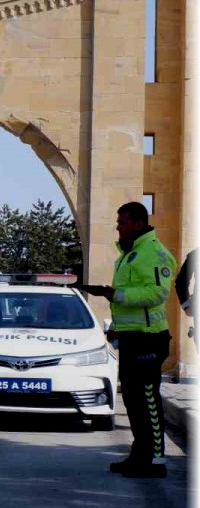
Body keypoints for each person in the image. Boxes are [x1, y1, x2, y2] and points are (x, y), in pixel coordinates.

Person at [80, 202, 176, 479]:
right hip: (132, 338)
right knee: (133, 401)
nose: (118, 228)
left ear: (137, 223)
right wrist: (118, 330)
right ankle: (140, 454)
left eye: (122, 223)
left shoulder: (153, 253)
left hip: (149, 339)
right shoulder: (129, 254)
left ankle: (155, 461)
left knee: (147, 399)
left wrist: (116, 295)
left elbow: (157, 294)